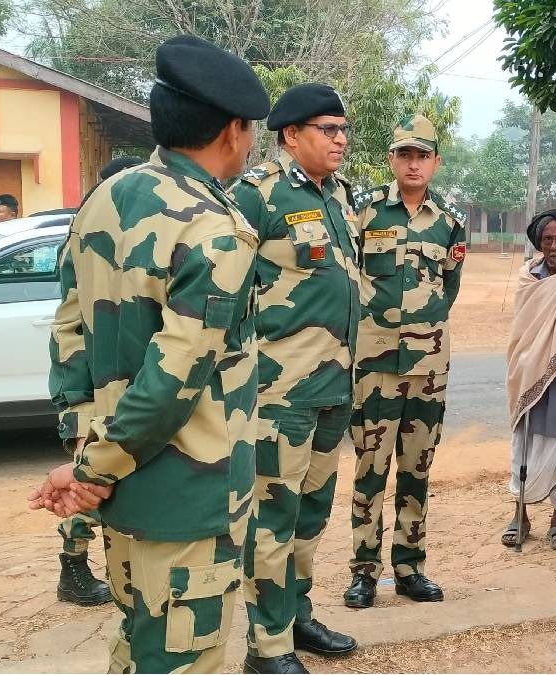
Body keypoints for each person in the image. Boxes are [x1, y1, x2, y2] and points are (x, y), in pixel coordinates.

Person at [34, 35, 269, 673]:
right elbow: (173, 382)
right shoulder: (214, 228)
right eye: (250, 131)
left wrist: (84, 451)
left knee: (139, 640)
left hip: (123, 488)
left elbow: (69, 331)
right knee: (180, 657)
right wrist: (93, 469)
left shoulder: (105, 199)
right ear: (233, 130)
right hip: (186, 495)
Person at [231, 83, 359, 673]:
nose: (341, 139)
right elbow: (228, 290)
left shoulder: (339, 197)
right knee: (272, 517)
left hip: (334, 385)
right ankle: (266, 645)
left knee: (311, 514)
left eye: (343, 129)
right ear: (291, 135)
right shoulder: (257, 195)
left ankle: (296, 614)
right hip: (280, 392)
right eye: (328, 129)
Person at [343, 115, 467, 609]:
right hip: (375, 364)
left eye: (423, 156)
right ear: (392, 159)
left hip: (428, 366)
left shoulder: (449, 223)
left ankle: (410, 568)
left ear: (436, 162)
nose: (414, 164)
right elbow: (347, 277)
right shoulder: (364, 212)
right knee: (370, 469)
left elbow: (448, 289)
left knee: (417, 469)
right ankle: (363, 572)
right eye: (405, 155)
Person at [50, 155, 145, 608]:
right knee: (89, 475)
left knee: (107, 473)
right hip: (89, 381)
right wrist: (78, 399)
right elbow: (73, 323)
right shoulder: (89, 233)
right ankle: (73, 567)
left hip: (109, 376)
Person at [502, 209, 556, 551]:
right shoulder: (528, 278)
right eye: (547, 239)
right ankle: (519, 513)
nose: (554, 246)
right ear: (538, 243)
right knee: (522, 442)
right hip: (528, 372)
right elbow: (522, 331)